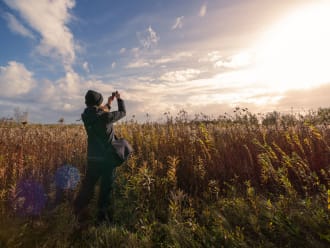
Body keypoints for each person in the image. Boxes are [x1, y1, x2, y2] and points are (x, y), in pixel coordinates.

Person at [73, 89, 126, 226]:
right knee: (105, 189)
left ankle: (77, 209)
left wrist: (109, 102)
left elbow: (98, 110)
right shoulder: (105, 117)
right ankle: (102, 218)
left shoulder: (86, 115)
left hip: (92, 158)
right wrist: (119, 99)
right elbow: (122, 113)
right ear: (97, 103)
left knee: (88, 186)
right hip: (107, 159)